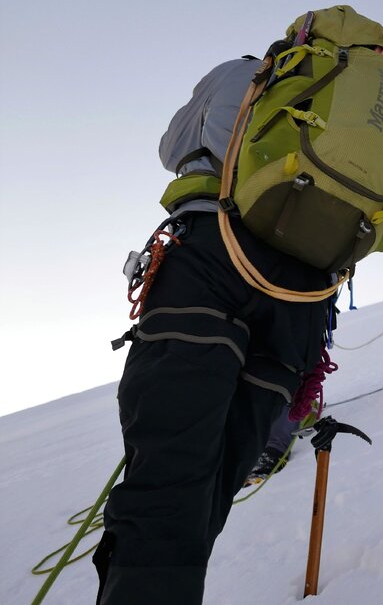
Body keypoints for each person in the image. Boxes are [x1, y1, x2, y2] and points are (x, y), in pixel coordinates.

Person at [93, 57, 334, 604]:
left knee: (168, 490)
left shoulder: (239, 73)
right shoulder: (330, 90)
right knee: (207, 497)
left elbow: (170, 149)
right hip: (299, 294)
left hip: (211, 257)